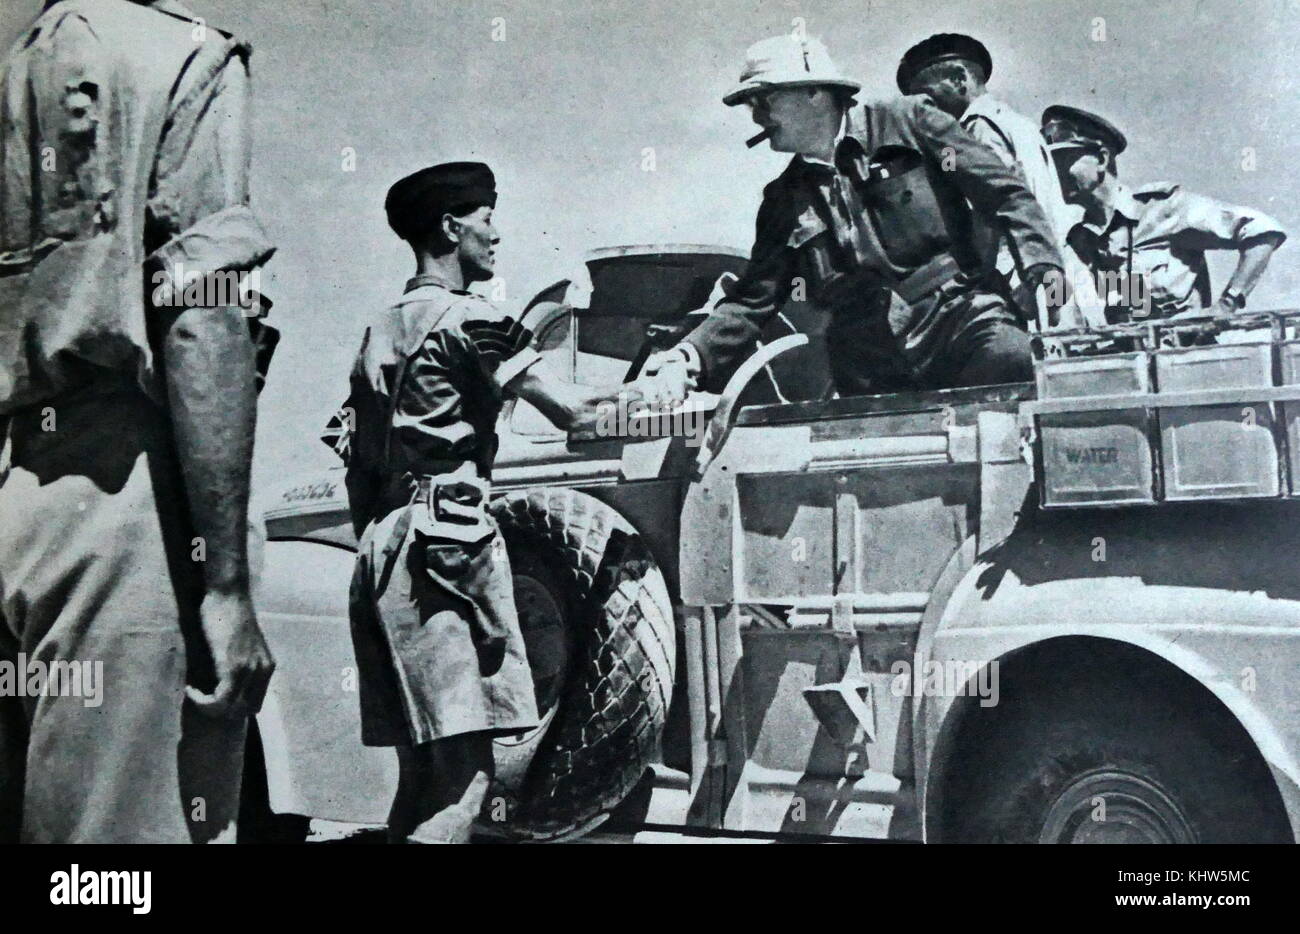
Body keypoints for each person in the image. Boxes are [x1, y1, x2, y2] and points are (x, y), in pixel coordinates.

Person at [0, 0, 276, 842]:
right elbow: (203, 312)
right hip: (135, 509)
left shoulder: (18, 68)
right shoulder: (185, 56)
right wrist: (225, 587)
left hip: (22, 493)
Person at [341, 162, 647, 843]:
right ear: (452, 227)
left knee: (421, 777)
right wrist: (650, 395)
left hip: (383, 545)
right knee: (468, 779)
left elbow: (357, 464)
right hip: (448, 541)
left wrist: (390, 538)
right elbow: (570, 414)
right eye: (486, 221)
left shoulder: (379, 328)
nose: (496, 236)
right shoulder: (476, 321)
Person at [642, 34, 1064, 402]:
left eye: (764, 100)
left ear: (814, 93)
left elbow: (1005, 193)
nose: (756, 116)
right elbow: (753, 299)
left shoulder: (910, 122)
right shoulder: (782, 200)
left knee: (1018, 368)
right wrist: (687, 357)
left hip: (962, 322)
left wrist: (1042, 266)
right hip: (869, 361)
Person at [897, 33, 1103, 328]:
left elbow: (997, 208)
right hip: (1056, 279)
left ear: (959, 79)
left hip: (1023, 284)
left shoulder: (976, 128)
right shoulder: (1014, 122)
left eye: (927, 97)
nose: (922, 110)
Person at [1041, 105, 1286, 322]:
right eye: (1052, 166)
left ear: (1102, 159)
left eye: (1065, 161)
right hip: (1132, 362)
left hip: (1187, 359)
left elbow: (1263, 230)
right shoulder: (1081, 241)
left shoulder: (1163, 210)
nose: (1057, 174)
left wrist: (1227, 305)